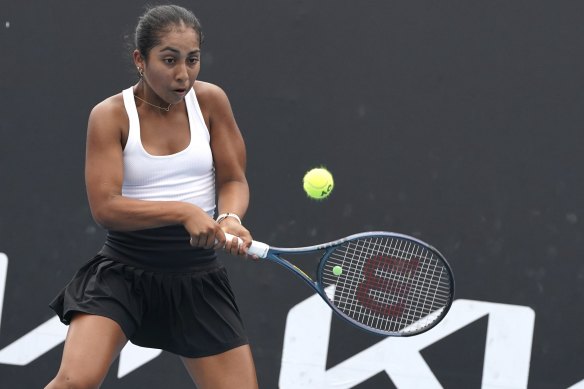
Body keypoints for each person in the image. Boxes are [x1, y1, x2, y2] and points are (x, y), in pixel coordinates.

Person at [45, 4, 258, 389]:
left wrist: (230, 218)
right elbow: (106, 208)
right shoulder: (110, 115)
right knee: (74, 382)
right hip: (124, 274)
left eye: (192, 60)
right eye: (169, 60)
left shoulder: (211, 102)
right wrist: (182, 212)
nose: (183, 74)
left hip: (197, 278)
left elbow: (234, 180)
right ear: (140, 60)